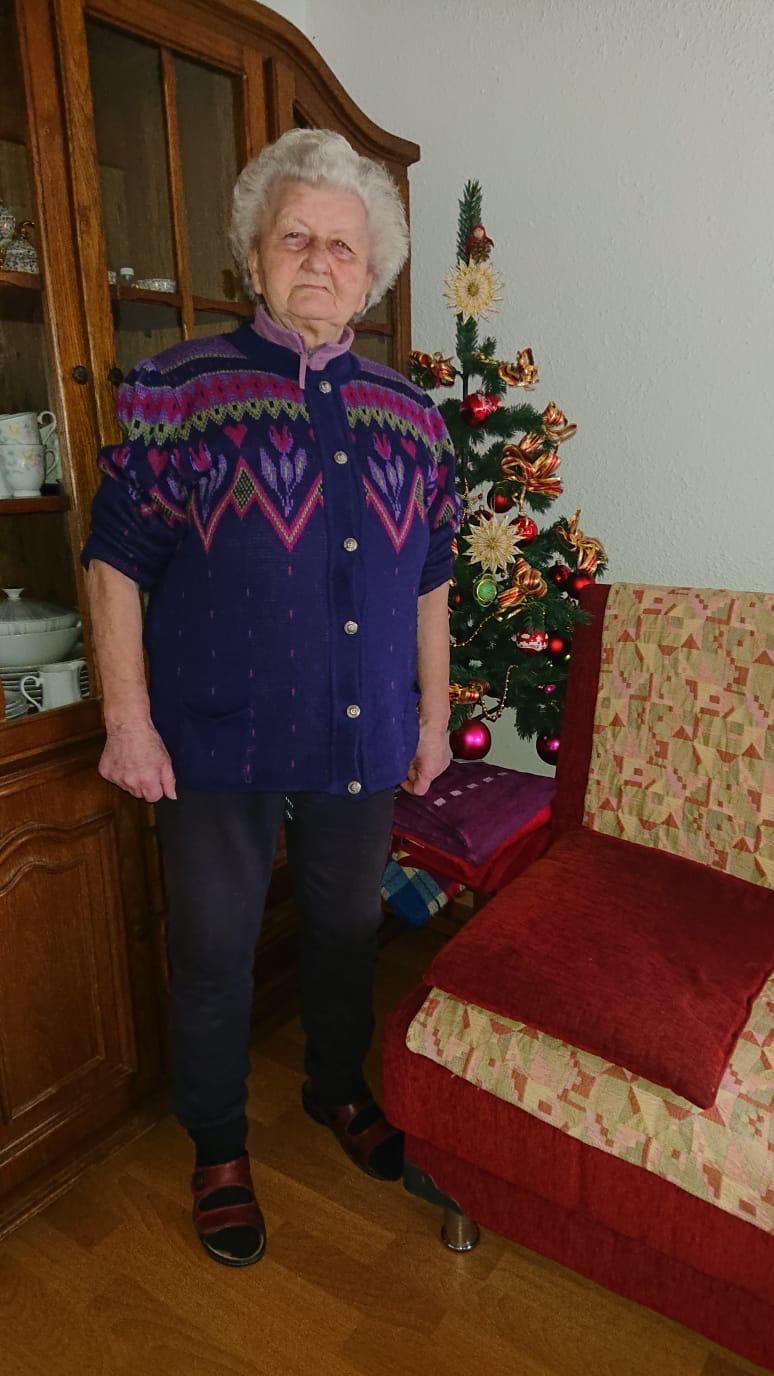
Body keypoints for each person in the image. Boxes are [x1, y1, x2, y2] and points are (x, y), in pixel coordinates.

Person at [81, 128, 462, 1268]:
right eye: (296, 237)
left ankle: (335, 1086)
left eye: (343, 246)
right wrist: (127, 719)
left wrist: (433, 718)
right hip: (214, 737)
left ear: (371, 272)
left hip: (362, 735)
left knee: (345, 931)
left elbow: (433, 580)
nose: (318, 260)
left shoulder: (413, 416)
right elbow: (114, 563)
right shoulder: (178, 388)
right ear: (254, 256)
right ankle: (216, 1146)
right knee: (214, 948)